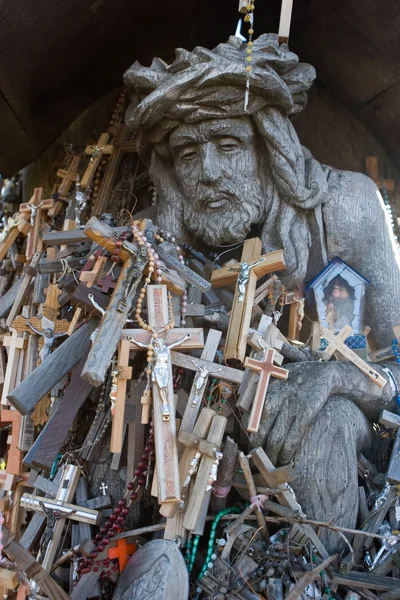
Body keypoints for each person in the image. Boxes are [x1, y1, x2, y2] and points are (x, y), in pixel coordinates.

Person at [124, 34, 400, 549]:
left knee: (329, 424)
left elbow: (399, 366)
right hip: (205, 432)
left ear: (269, 144)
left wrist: (335, 377)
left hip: (326, 430)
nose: (207, 173)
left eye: (228, 145)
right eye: (187, 153)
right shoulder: (153, 238)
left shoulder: (344, 210)